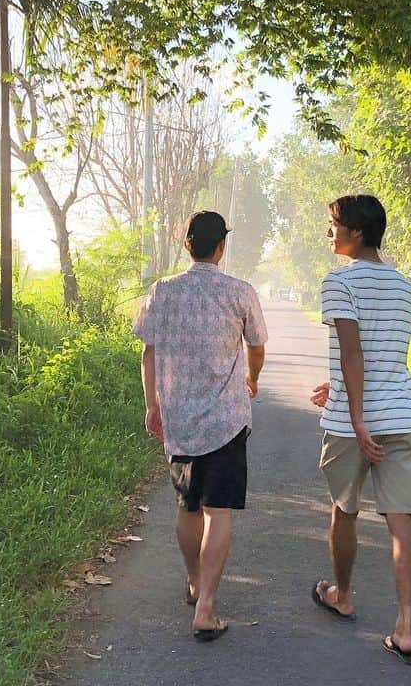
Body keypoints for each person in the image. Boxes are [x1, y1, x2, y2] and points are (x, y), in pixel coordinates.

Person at [133, 210, 267, 642]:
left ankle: (194, 582)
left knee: (187, 508)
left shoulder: (163, 291)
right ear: (221, 247)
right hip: (227, 421)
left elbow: (148, 354)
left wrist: (152, 405)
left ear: (187, 246)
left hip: (180, 421)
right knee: (218, 512)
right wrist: (252, 378)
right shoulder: (239, 292)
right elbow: (257, 346)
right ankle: (206, 607)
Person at [310, 194, 411, 666]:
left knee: (344, 509)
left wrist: (357, 418)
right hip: (401, 414)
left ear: (356, 232)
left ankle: (342, 595)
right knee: (402, 525)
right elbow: (388, 352)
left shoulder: (339, 282)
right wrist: (335, 382)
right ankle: (405, 629)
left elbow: (354, 353)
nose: (329, 232)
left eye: (333, 224)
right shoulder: (403, 285)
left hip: (352, 421)